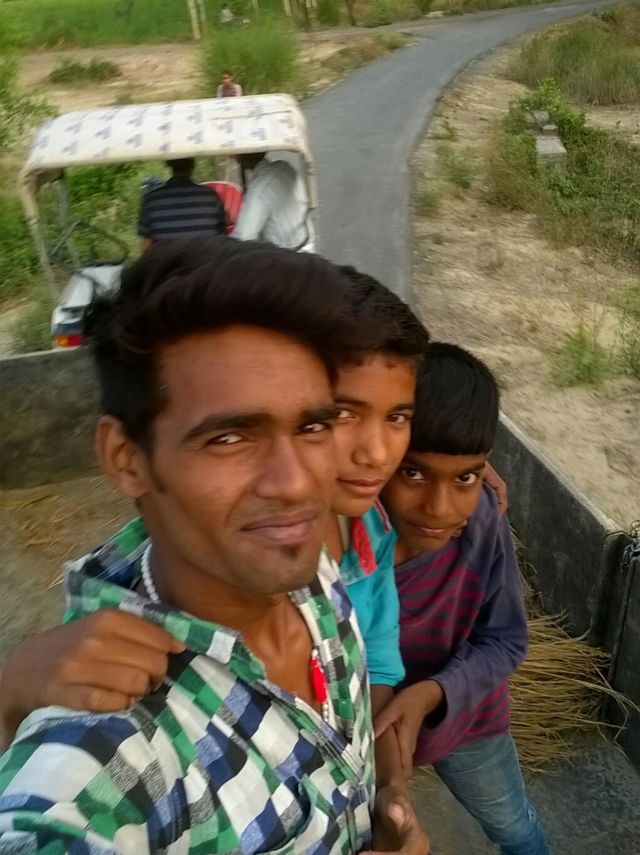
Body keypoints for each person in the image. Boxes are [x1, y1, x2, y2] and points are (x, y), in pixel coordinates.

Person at [0, 239, 427, 854]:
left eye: (312, 426)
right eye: (229, 438)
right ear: (126, 459)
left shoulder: (309, 567)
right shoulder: (110, 746)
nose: (298, 484)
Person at [376, 343, 550, 855]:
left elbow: (506, 640)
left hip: (468, 721)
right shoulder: (340, 550)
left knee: (515, 828)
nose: (439, 507)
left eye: (465, 477)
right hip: (364, 734)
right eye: (412, 472)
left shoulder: (483, 523)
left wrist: (433, 693)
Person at [137, 157, 226, 251]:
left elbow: (147, 244)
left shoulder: (151, 199)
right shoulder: (210, 196)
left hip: (168, 260)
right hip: (206, 259)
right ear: (193, 165)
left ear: (167, 164)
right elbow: (222, 235)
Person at [234, 152, 314, 251]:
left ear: (237, 158)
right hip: (306, 240)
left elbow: (243, 240)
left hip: (287, 255)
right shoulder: (284, 166)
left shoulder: (259, 192)